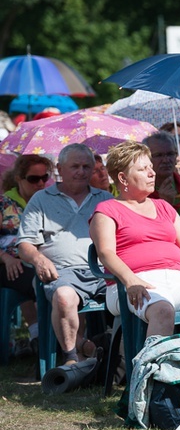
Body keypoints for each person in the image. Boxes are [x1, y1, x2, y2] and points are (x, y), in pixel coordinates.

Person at [89, 142, 180, 336]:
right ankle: (153, 365)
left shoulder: (164, 206)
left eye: (150, 167)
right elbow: (105, 252)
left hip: (178, 280)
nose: (152, 173)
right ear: (123, 178)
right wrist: (130, 280)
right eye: (143, 169)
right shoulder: (107, 210)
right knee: (163, 310)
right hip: (131, 284)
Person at [17, 144, 114, 365]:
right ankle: (72, 359)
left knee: (135, 294)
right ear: (59, 168)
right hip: (62, 272)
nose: (81, 171)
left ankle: (122, 358)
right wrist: (39, 259)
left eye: (86, 166)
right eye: (75, 166)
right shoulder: (41, 199)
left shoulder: (105, 199)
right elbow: (24, 244)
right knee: (63, 296)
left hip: (103, 272)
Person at [0, 155, 54, 355]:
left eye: (44, 178)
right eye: (33, 179)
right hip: (9, 264)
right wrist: (6, 258)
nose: (40, 183)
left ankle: (43, 336)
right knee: (39, 281)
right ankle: (42, 337)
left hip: (41, 260)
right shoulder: (4, 203)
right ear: (19, 179)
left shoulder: (49, 202)